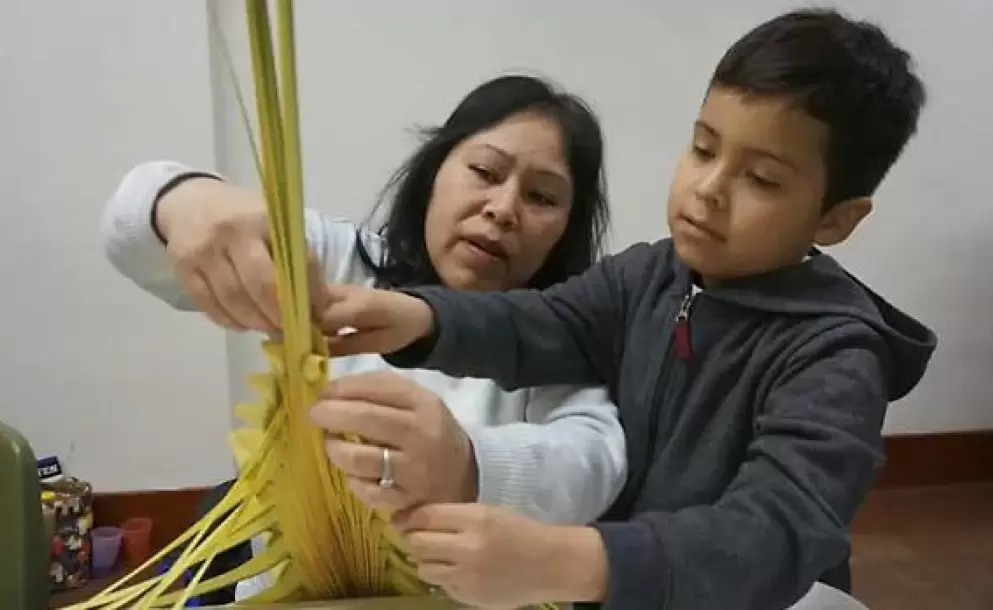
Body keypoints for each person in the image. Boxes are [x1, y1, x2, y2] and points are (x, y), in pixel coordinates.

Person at [306, 9, 938, 610]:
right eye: (703, 148)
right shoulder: (648, 274)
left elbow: (774, 533)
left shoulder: (836, 357)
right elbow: (541, 323)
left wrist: (573, 559)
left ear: (835, 219)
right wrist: (424, 319)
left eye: (762, 179)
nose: (709, 190)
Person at [100, 75, 626, 600]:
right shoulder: (338, 265)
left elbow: (593, 462)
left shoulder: (555, 342)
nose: (503, 207)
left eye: (541, 197)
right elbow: (131, 224)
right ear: (435, 171)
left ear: (566, 230)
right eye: (485, 171)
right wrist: (187, 203)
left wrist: (467, 463)